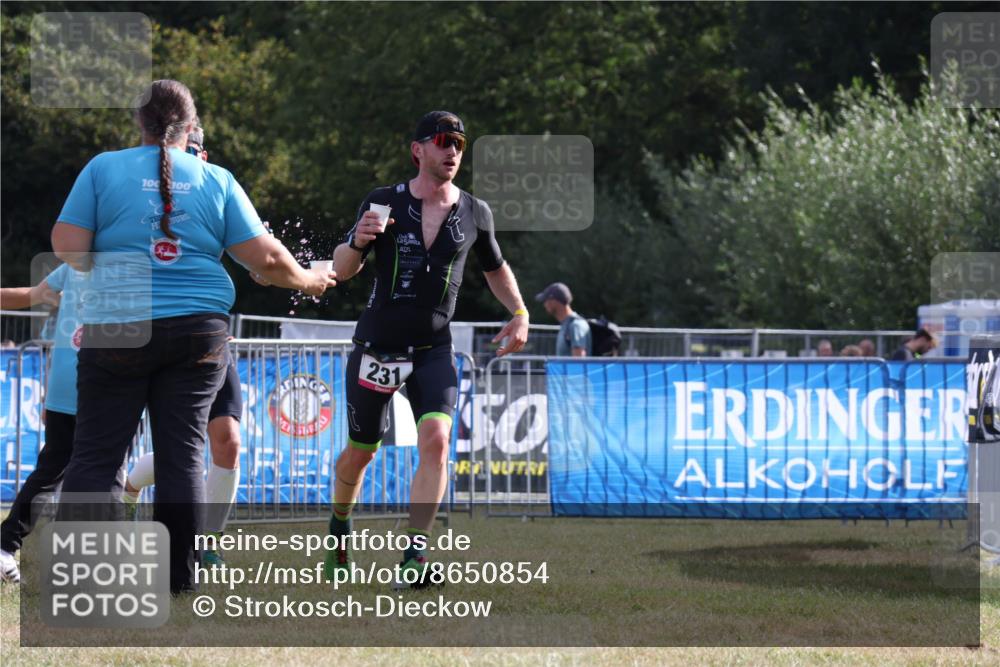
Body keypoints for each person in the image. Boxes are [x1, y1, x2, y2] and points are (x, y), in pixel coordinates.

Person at [51, 79, 336, 594]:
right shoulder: (216, 179)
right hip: (198, 332)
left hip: (117, 324)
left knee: (96, 455)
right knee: (183, 455)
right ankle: (177, 580)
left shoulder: (102, 169)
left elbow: (69, 247)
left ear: (140, 122)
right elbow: (267, 259)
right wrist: (312, 280)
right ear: (190, 126)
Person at [326, 110, 529, 587]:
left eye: (459, 142)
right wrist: (357, 242)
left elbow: (495, 268)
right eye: (443, 141)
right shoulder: (382, 201)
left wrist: (519, 312)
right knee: (361, 452)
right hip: (377, 346)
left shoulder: (476, 212)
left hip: (433, 350)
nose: (453, 151)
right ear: (418, 149)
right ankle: (338, 529)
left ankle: (414, 558)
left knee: (437, 443)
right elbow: (342, 268)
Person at [121, 122, 242, 567]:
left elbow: (260, 265)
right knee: (183, 446)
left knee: (227, 441)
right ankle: (131, 488)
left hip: (210, 342)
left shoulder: (219, 191)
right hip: (150, 337)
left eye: (192, 151)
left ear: (202, 156)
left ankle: (207, 543)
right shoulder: (137, 194)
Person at [1, 265, 83, 584]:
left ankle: (5, 546)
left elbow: (32, 295)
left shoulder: (77, 262)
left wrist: (52, 384)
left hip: (65, 382)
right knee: (107, 471)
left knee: (52, 470)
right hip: (105, 386)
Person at [535, 282, 591, 357]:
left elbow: (579, 362)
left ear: (554, 301)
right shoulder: (567, 324)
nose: (544, 304)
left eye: (546, 300)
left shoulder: (576, 325)